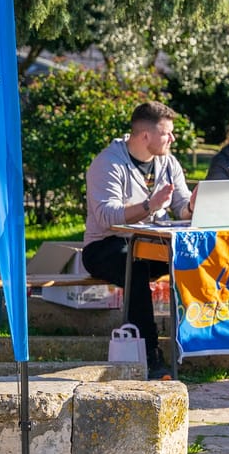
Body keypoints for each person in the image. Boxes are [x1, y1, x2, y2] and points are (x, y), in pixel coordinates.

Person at [82, 101, 193, 380]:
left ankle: (198, 342)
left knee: (193, 259)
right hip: (105, 247)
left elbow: (181, 205)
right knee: (136, 267)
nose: (172, 139)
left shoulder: (168, 162)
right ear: (146, 136)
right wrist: (149, 205)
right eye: (167, 133)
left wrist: (194, 206)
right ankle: (150, 355)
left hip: (153, 245)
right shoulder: (107, 163)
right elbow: (107, 216)